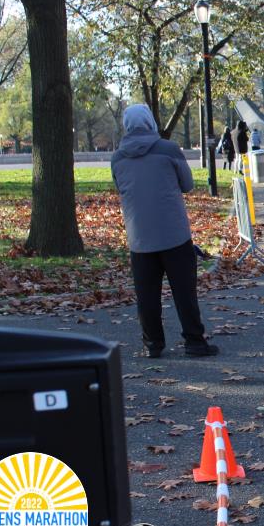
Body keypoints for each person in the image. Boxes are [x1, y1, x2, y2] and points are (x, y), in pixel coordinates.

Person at [110, 105, 219, 358]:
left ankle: (152, 344)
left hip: (139, 235)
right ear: (150, 122)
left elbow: (120, 187)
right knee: (184, 291)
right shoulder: (168, 149)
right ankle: (194, 341)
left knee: (147, 295)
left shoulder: (117, 158)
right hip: (173, 233)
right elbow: (187, 184)